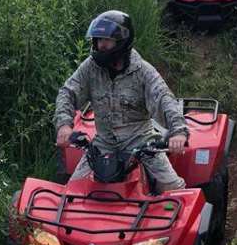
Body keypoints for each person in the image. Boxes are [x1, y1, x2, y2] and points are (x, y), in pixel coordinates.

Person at [55, 10, 188, 192]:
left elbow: (164, 99)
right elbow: (68, 92)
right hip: (102, 144)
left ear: (122, 41)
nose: (101, 45)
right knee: (71, 192)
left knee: (173, 188)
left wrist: (178, 132)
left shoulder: (143, 71)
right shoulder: (90, 67)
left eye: (106, 40)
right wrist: (63, 125)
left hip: (142, 143)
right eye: (98, 40)